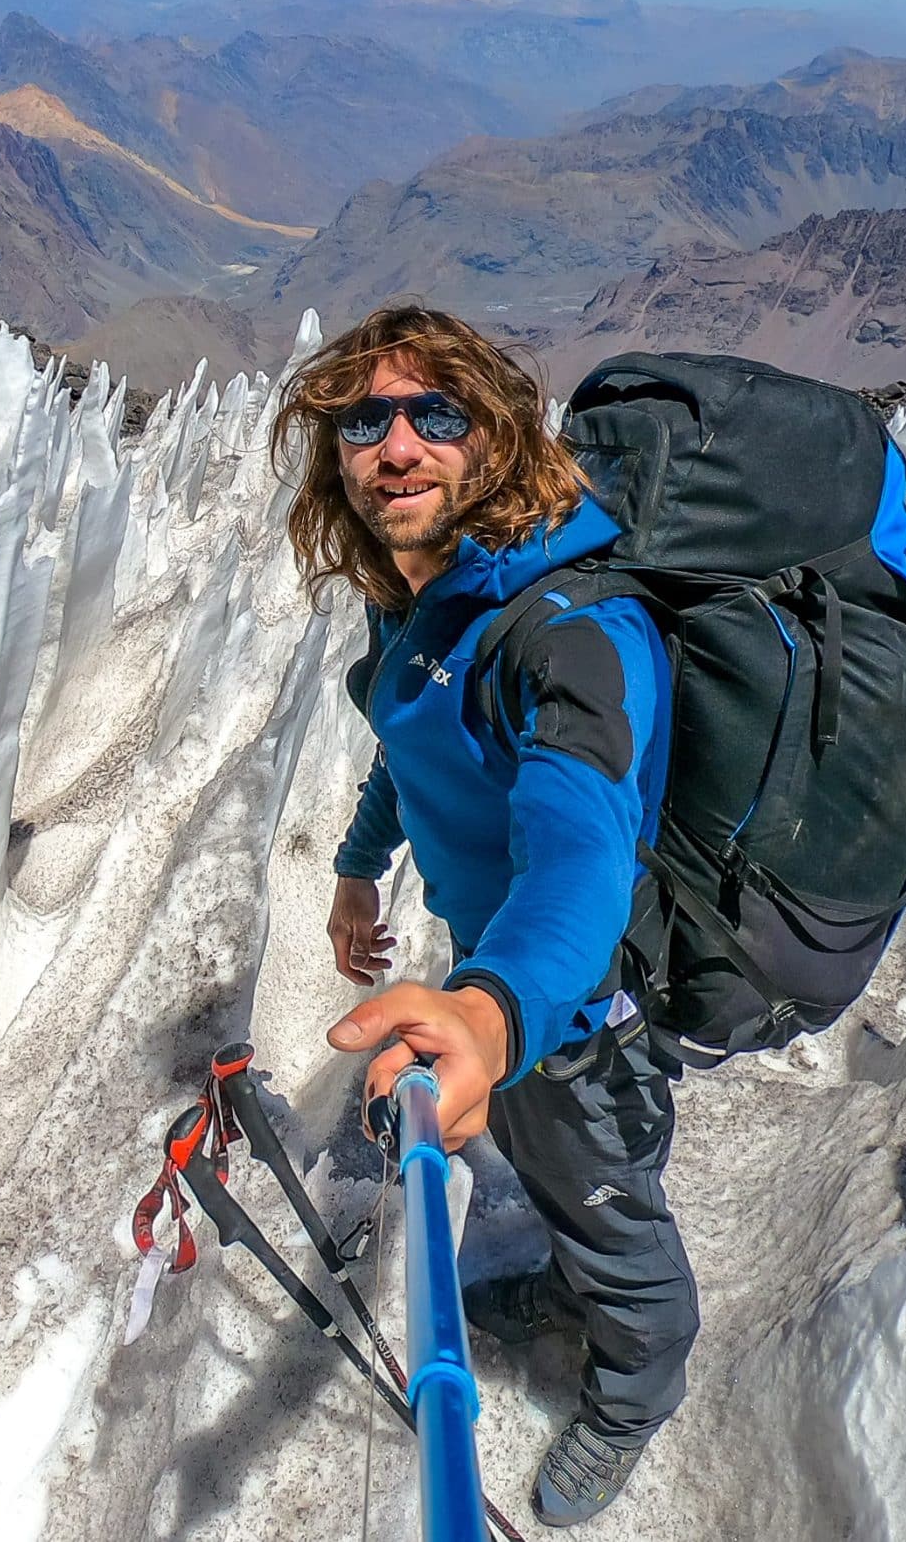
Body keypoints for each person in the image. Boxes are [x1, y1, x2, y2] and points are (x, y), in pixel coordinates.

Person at [270, 305, 698, 1529]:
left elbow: (579, 849)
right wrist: (361, 866)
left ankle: (637, 1375)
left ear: (496, 435)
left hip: (581, 991)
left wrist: (495, 1010)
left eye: (434, 414)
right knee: (552, 1157)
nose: (396, 446)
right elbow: (412, 745)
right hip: (501, 970)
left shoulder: (568, 628)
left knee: (606, 1185)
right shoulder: (424, 591)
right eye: (365, 419)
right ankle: (577, 1279)